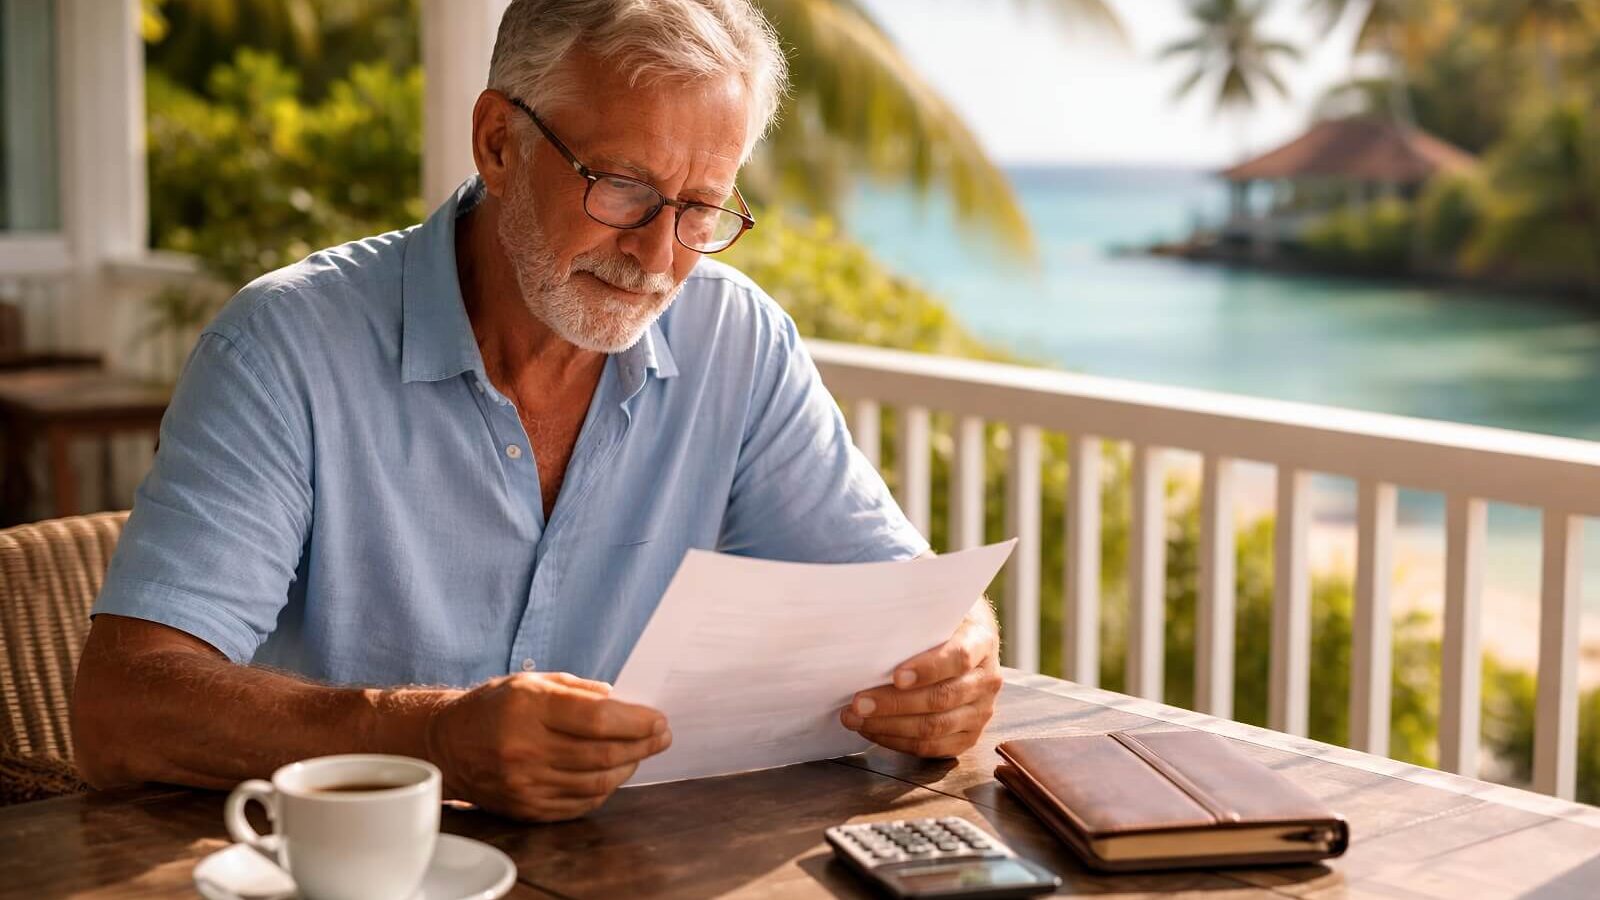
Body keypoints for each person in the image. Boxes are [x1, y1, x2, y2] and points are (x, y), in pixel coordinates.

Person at [72, 0, 1002, 822]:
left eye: (700, 209)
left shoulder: (740, 340)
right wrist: (431, 740)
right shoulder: (287, 345)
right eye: (624, 188)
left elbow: (909, 604)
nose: (658, 257)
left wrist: (954, 660)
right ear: (498, 144)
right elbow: (123, 708)